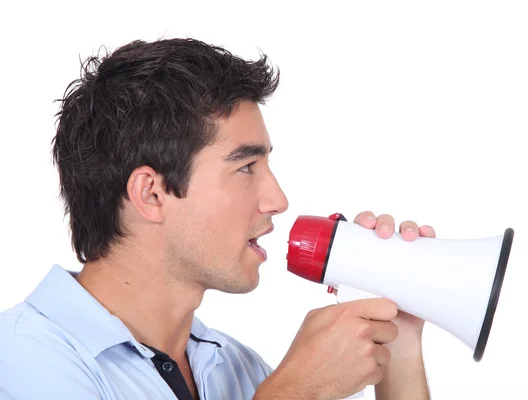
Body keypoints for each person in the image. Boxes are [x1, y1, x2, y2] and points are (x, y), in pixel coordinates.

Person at [0, 38, 435, 400]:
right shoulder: (21, 358)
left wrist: (398, 343)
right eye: (246, 167)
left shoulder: (236, 369)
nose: (278, 200)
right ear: (151, 193)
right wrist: (295, 391)